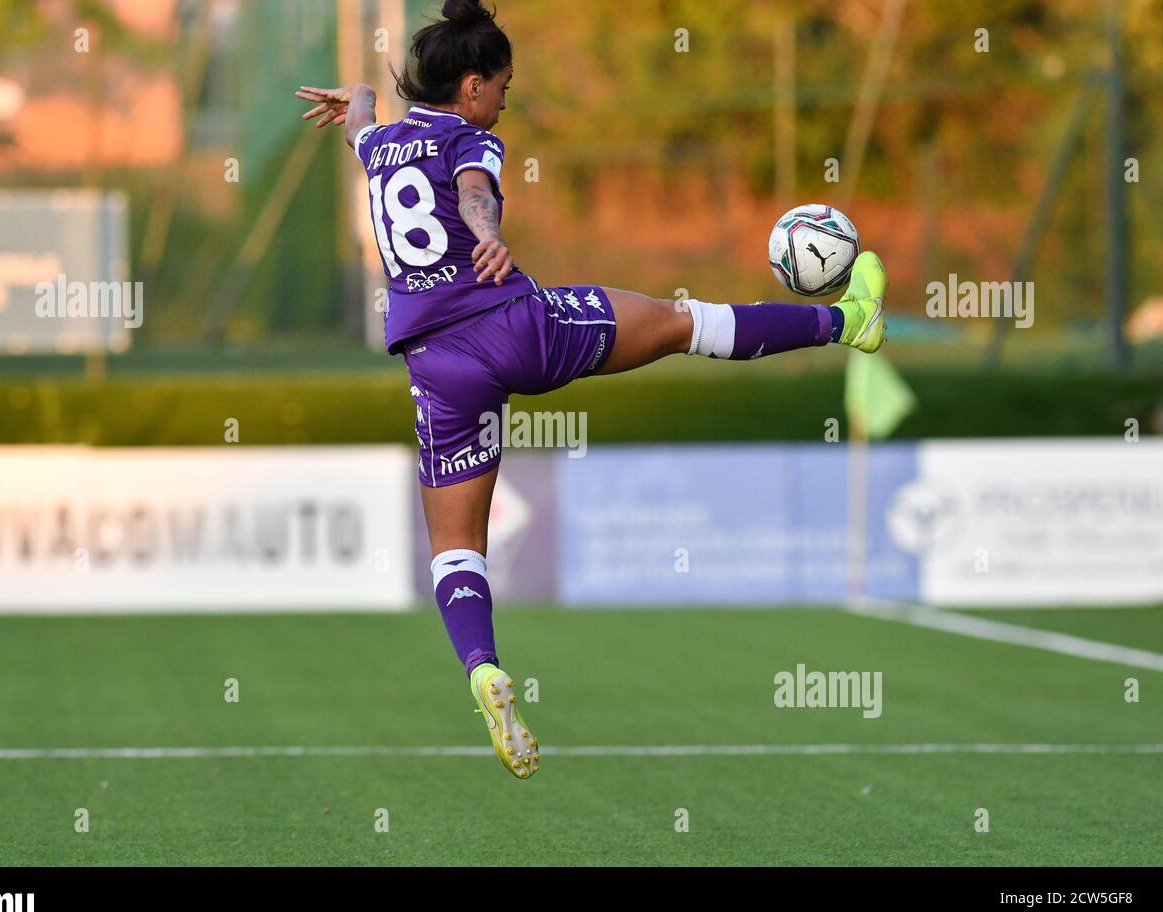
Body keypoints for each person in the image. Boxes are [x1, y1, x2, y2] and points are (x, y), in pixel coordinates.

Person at [296, 0, 886, 780]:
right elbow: (473, 187)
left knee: (453, 547)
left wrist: (357, 100)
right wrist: (490, 234)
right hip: (512, 326)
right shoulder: (474, 138)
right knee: (683, 322)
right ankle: (849, 323)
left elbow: (364, 114)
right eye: (502, 84)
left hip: (435, 365)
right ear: (471, 87)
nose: (506, 97)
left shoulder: (376, 145)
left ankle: (481, 668)